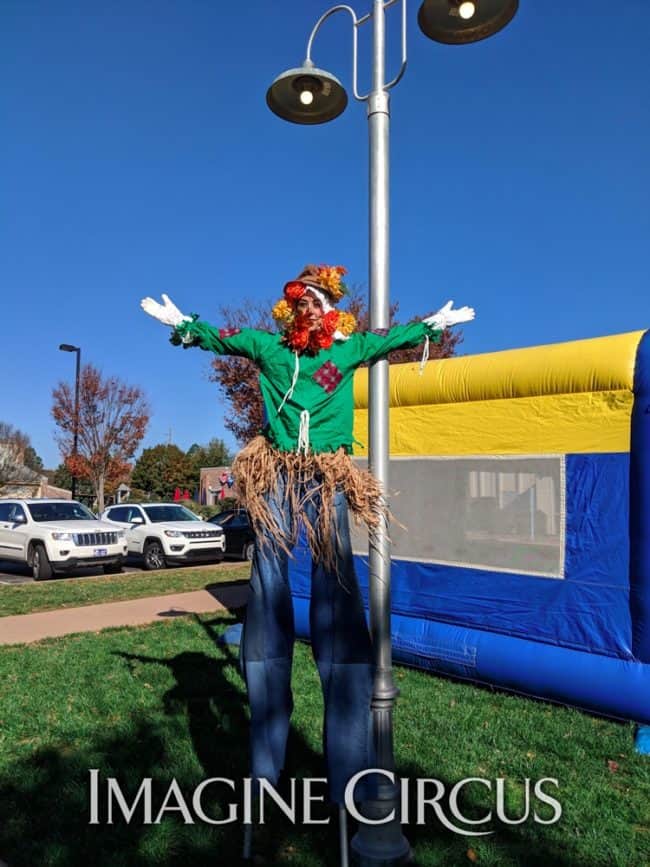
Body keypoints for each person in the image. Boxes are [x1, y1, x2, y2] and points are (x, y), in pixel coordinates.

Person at [141, 264, 474, 807]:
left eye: (316, 300)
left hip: (325, 474)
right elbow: (222, 339)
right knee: (268, 582)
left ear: (331, 307)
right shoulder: (271, 350)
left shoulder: (344, 352)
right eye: (300, 301)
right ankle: (265, 771)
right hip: (273, 470)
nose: (308, 308)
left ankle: (348, 772)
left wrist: (432, 324)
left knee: (335, 584)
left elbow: (392, 337)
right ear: (290, 310)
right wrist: (182, 322)